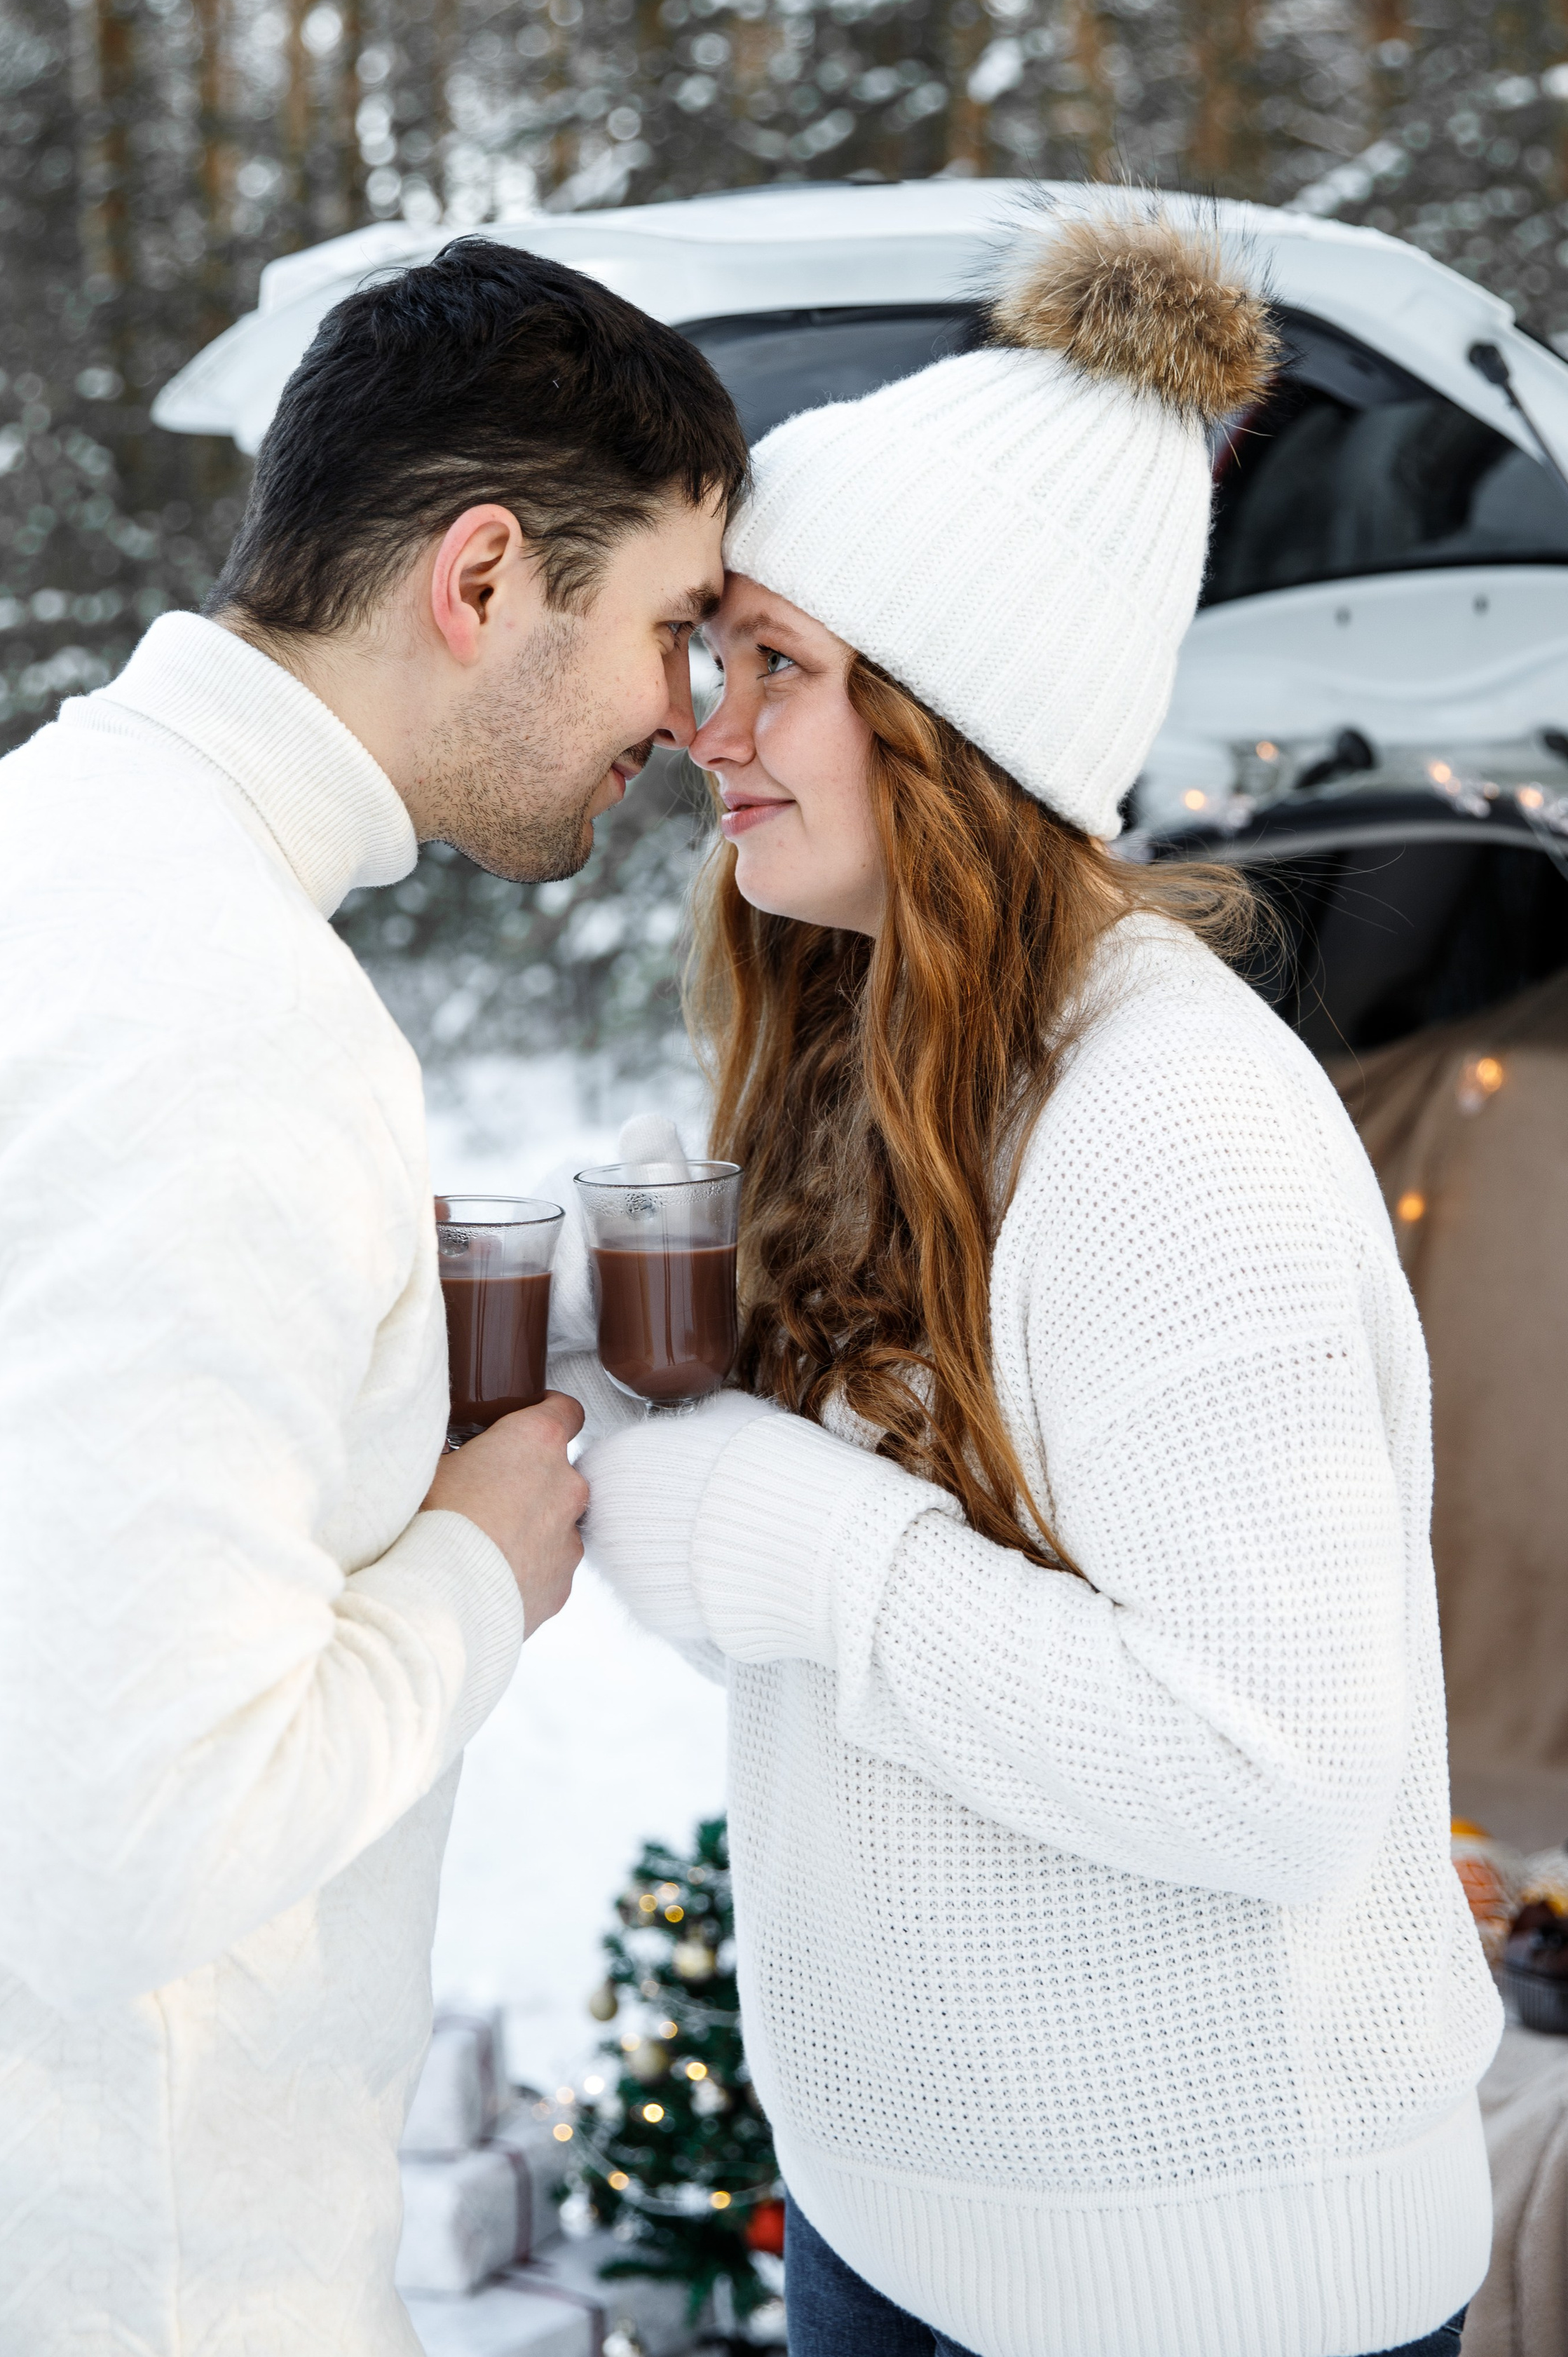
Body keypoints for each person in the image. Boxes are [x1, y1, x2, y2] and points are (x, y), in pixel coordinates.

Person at [0, 237, 745, 2354]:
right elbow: (103, 1859)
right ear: (483, 578)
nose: (686, 723)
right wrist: (484, 1570)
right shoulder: (209, 1007)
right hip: (124, 2272)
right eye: (672, 628)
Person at [564, 201, 1503, 2357]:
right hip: (898, 2223)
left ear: (953, 709)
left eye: (777, 664)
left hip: (1196, 2282)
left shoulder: (1169, 1118)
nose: (712, 721)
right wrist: (662, 1423)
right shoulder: (874, 1056)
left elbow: (1271, 1772)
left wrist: (803, 1539)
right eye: (719, 659)